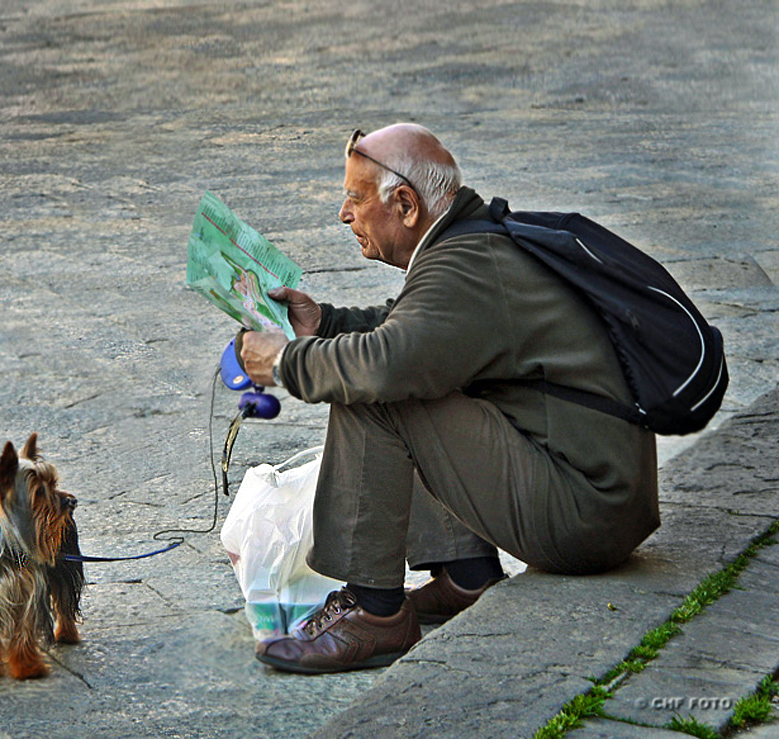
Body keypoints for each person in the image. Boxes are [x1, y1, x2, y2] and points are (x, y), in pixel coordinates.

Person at [238, 123, 659, 675]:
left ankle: (376, 614)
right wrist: (326, 323)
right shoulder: (474, 246)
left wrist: (283, 361)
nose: (345, 215)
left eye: (355, 199)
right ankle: (467, 574)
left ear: (406, 205)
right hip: (601, 500)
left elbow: (384, 364)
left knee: (379, 388)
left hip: (584, 517)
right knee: (399, 366)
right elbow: (413, 329)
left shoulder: (466, 264)